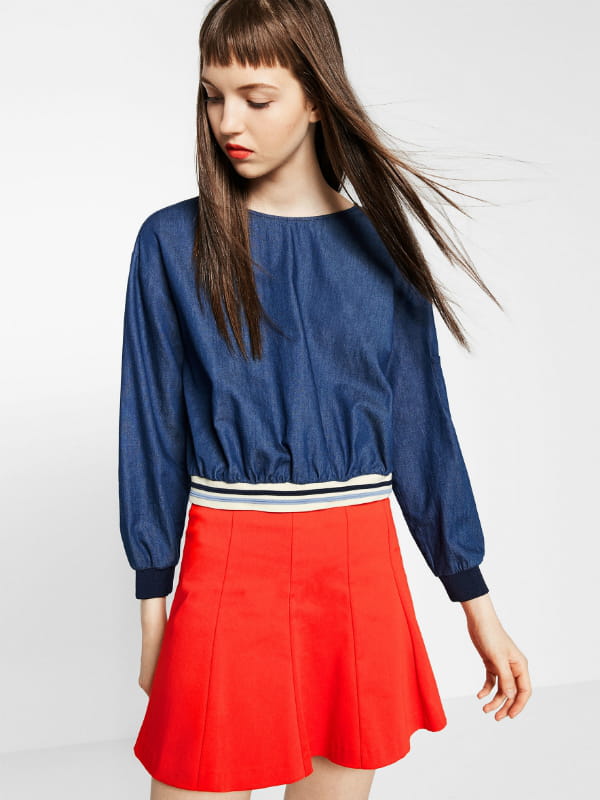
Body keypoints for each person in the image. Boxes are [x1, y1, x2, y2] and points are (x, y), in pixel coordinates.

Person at [117, 1, 532, 798]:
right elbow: (152, 428)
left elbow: (422, 435)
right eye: (212, 95)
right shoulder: (172, 243)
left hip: (357, 569)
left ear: (316, 97)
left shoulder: (385, 248)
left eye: (255, 97)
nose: (227, 121)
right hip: (229, 563)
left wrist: (476, 604)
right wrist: (152, 607)